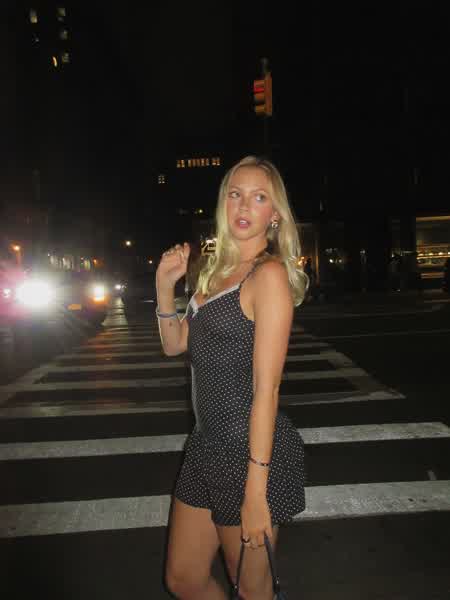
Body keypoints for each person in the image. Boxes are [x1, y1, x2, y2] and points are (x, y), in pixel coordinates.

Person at [156, 156, 307, 600]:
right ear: (223, 203)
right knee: (183, 579)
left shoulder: (268, 275)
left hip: (247, 452)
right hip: (205, 445)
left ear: (274, 214)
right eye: (235, 194)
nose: (244, 205)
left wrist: (255, 492)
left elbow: (267, 389)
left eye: (259, 197)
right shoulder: (213, 272)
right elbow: (175, 344)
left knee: (252, 590)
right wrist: (164, 286)